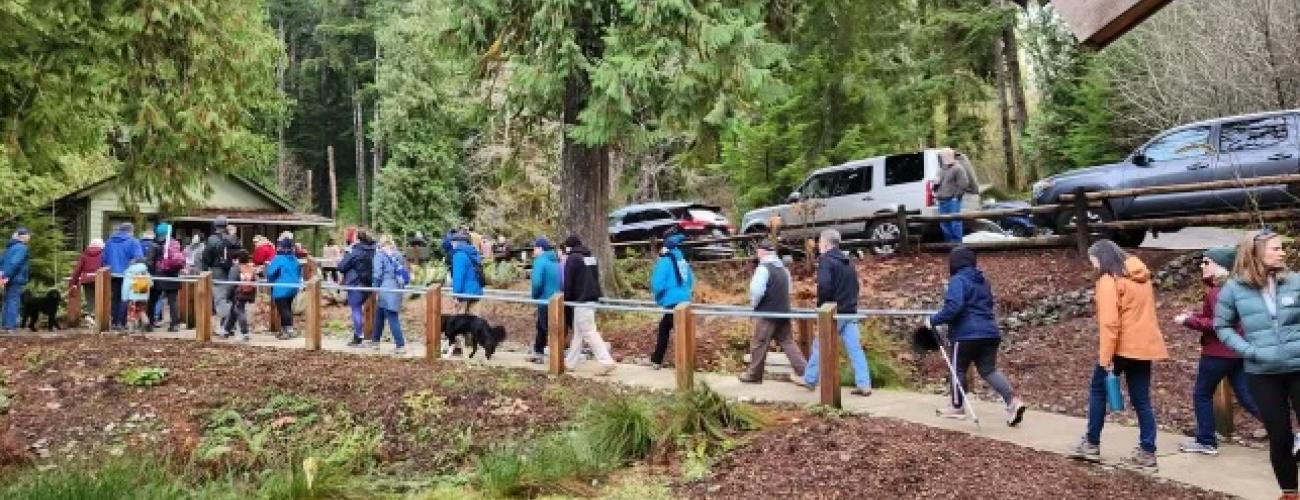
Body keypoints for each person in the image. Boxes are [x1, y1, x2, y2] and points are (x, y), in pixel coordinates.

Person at [1068, 239, 1167, 471]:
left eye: (1093, 261)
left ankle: (1091, 444)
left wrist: (1106, 357)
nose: (1093, 267)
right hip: (1144, 347)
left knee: (1098, 391)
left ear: (1102, 258)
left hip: (1121, 346)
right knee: (1142, 400)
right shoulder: (1141, 277)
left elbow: (1110, 323)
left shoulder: (1108, 280)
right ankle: (1147, 452)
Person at [1214, 230, 1300, 498]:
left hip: (1299, 366)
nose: (1282, 252)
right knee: (1280, 437)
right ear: (1256, 253)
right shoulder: (1234, 288)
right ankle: (1290, 493)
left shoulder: (1295, 281)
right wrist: (1248, 350)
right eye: (1275, 248)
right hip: (1262, 373)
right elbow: (1222, 325)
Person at [927, 246, 1027, 426]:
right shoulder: (983, 281)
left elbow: (954, 307)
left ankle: (957, 407)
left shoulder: (958, 280)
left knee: (957, 369)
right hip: (990, 332)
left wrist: (933, 320)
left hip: (966, 334)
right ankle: (1013, 401)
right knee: (988, 370)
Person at [1177, 246, 1263, 455]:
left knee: (1202, 394)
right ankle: (1287, 431)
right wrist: (1196, 315)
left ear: (1220, 266)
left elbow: (1218, 323)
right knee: (1247, 396)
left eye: (1206, 262)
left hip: (1217, 353)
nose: (1201, 265)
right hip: (1238, 351)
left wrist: (1188, 320)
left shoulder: (1218, 291)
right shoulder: (1241, 288)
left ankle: (1206, 440)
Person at [794, 229, 872, 396]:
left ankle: (809, 380)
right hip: (850, 311)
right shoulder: (848, 261)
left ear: (826, 243)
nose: (818, 245)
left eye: (820, 242)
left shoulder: (826, 261)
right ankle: (864, 383)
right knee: (855, 349)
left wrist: (823, 307)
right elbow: (856, 286)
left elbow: (825, 286)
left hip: (834, 311)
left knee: (819, 345)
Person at [739, 240, 807, 384]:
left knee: (759, 343)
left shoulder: (763, 268)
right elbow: (789, 291)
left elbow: (756, 291)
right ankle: (805, 372)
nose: (757, 253)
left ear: (763, 251)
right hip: (783, 312)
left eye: (758, 250)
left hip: (767, 313)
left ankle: (753, 375)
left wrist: (754, 306)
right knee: (788, 342)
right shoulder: (784, 270)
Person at [562, 236, 616, 375]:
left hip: (581, 300)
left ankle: (606, 361)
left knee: (589, 332)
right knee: (578, 333)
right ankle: (570, 362)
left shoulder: (572, 258)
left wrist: (566, 299)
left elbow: (568, 281)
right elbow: (595, 277)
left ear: (569, 246)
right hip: (592, 298)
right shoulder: (590, 257)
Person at [649, 232, 695, 369]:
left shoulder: (665, 261)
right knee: (667, 328)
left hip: (672, 302)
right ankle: (657, 360)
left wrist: (659, 294)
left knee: (671, 331)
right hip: (684, 301)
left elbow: (657, 284)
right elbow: (691, 281)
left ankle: (683, 365)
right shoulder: (683, 261)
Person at [370, 235, 408, 355]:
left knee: (391, 315)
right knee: (380, 314)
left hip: (385, 288)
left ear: (381, 243)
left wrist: (375, 288)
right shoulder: (398, 254)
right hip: (397, 287)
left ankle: (400, 345)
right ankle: (375, 341)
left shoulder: (380, 255)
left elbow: (377, 274)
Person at [339, 231, 377, 347]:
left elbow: (341, 266)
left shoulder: (354, 251)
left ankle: (358, 337)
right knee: (363, 309)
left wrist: (346, 253)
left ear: (356, 240)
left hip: (356, 284)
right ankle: (372, 336)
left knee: (356, 309)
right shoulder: (373, 250)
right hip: (369, 284)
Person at [528, 237, 562, 364]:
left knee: (544, 327)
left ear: (540, 249)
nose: (534, 250)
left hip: (544, 299)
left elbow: (536, 282)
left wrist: (534, 295)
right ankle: (538, 350)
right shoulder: (555, 261)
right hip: (556, 299)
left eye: (535, 248)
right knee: (543, 326)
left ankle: (548, 354)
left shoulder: (540, 261)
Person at [103, 222, 143, 330]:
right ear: (130, 230)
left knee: (115, 298)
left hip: (112, 273)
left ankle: (115, 322)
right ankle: (121, 322)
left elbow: (103, 259)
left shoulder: (109, 241)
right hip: (127, 273)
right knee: (124, 298)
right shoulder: (133, 242)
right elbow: (139, 257)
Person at [200, 217, 237, 330]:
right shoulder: (232, 238)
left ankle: (230, 322)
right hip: (232, 270)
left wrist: (205, 268)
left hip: (217, 271)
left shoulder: (212, 239)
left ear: (215, 225)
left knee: (220, 299)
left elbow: (206, 256)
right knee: (229, 297)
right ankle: (226, 326)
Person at [146, 223, 185, 332]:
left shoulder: (154, 244)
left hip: (157, 276)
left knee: (152, 300)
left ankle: (150, 322)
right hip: (172, 275)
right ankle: (174, 324)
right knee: (172, 301)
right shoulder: (175, 243)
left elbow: (149, 262)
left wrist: (150, 273)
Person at [265, 238, 302, 340]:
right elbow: (299, 272)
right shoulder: (294, 259)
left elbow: (270, 272)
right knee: (288, 308)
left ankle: (288, 330)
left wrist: (270, 278)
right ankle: (286, 329)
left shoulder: (279, 259)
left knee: (283, 309)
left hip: (281, 287)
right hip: (293, 287)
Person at [933, 148, 970, 244]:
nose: (941, 158)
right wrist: (935, 190)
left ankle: (957, 244)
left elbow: (964, 184)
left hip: (952, 200)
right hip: (942, 201)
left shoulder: (958, 168)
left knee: (955, 223)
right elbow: (936, 184)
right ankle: (949, 245)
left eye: (942, 156)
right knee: (944, 224)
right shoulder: (941, 170)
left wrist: (956, 197)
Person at [0, 228, 32, 332]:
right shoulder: (22, 248)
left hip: (8, 278)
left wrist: (2, 275)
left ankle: (4, 325)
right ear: (22, 236)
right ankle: (10, 326)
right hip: (15, 278)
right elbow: (15, 263)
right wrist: (6, 276)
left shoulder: (10, 248)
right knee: (13, 301)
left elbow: (2, 262)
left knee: (7, 300)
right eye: (28, 235)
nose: (29, 237)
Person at [68, 238, 104, 318]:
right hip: (99, 279)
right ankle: (98, 317)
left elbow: (77, 269)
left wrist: (73, 283)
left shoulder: (84, 255)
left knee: (90, 298)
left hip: (86, 279)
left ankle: (91, 315)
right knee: (100, 298)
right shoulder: (103, 254)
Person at [450, 231, 484, 314]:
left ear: (457, 242)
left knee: (459, 323)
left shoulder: (459, 255)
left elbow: (458, 277)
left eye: (452, 242)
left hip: (464, 293)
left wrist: (456, 296)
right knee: (474, 323)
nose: (452, 245)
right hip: (476, 291)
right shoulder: (474, 253)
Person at [225, 251, 255, 342]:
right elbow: (254, 281)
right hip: (248, 293)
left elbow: (231, 284)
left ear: (238, 259)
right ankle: (226, 329)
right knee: (234, 310)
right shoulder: (250, 268)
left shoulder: (235, 268)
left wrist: (228, 295)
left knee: (239, 310)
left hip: (238, 293)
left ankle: (244, 332)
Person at [121, 257, 152, 332]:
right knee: (142, 311)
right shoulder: (146, 272)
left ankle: (131, 328)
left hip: (132, 297)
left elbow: (126, 286)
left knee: (131, 312)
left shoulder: (129, 272)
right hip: (143, 297)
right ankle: (146, 321)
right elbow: (151, 284)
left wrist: (124, 297)